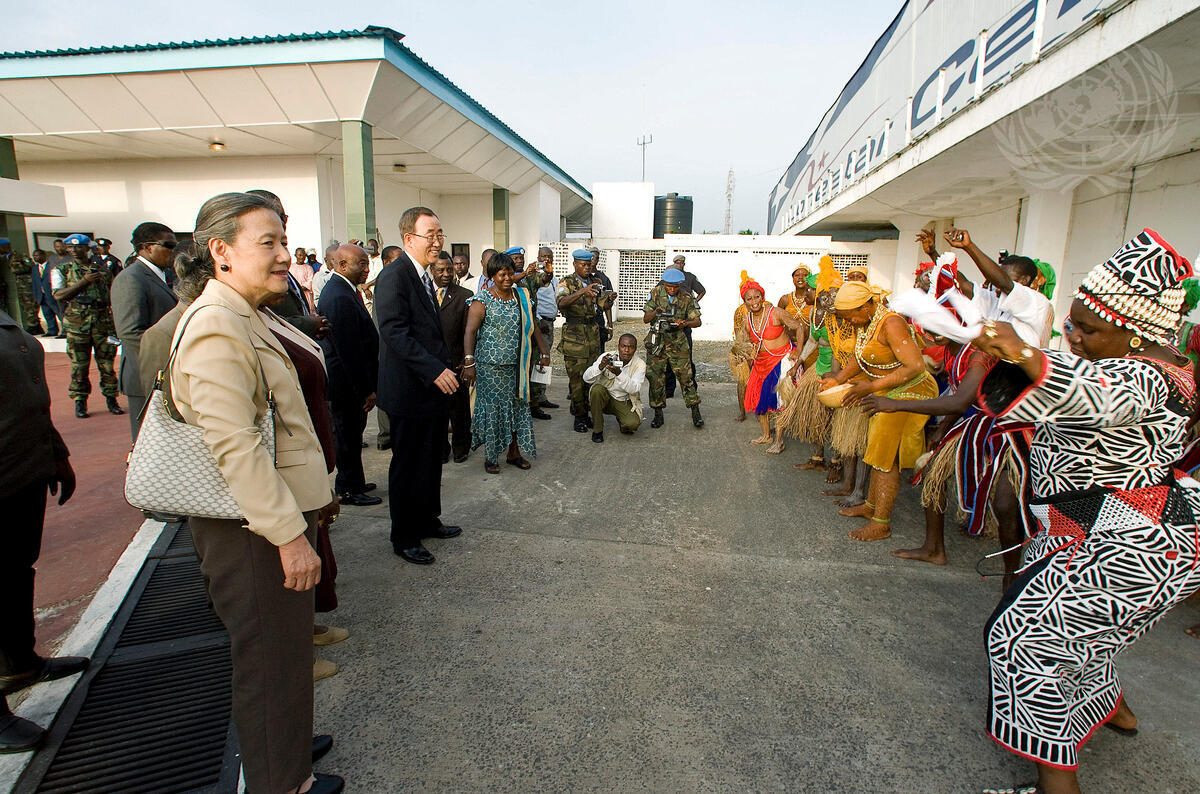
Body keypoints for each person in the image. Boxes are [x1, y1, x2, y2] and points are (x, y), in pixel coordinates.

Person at [971, 229, 1200, 794]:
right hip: (1107, 530)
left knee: (1024, 642)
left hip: (1133, 539)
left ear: (1136, 331)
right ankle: (1117, 712)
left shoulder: (1147, 376)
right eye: (1071, 325)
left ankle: (1057, 787)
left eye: (1087, 330)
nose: (1072, 338)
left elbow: (1100, 395)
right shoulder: (1143, 363)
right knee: (1084, 637)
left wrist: (1025, 352)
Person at [169, 192, 342, 794]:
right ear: (221, 251)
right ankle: (282, 780)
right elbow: (236, 446)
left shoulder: (245, 312)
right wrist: (290, 538)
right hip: (253, 530)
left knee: (284, 657)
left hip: (266, 519)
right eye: (267, 242)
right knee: (270, 661)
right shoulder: (216, 323)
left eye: (283, 241)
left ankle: (283, 750)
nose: (284, 255)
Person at [0, 308, 88, 753]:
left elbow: (29, 398)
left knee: (14, 573)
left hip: (21, 470)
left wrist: (56, 454)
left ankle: (19, 663)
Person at [376, 206, 463, 565]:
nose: (437, 241)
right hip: (409, 390)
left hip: (431, 391)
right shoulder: (394, 276)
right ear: (409, 238)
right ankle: (404, 535)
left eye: (440, 234)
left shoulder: (424, 275)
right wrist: (433, 370)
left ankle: (428, 519)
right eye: (431, 235)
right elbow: (394, 332)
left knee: (430, 460)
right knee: (409, 464)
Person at [820, 281, 937, 541]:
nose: (848, 322)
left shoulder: (891, 324)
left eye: (849, 316)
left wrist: (871, 387)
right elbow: (861, 357)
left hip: (911, 393)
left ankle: (881, 523)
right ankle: (871, 506)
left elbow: (915, 366)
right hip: (887, 391)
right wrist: (838, 379)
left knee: (886, 457)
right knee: (876, 451)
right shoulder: (866, 323)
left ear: (865, 306)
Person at [462, 252, 551, 473]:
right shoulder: (481, 300)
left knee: (517, 409)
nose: (507, 278)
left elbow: (532, 326)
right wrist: (469, 362)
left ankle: (514, 453)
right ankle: (491, 457)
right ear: (492, 276)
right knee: (494, 412)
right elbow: (470, 332)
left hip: (517, 366)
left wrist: (544, 351)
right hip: (489, 368)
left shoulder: (521, 296)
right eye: (502, 274)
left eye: (510, 273)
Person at [317, 243, 381, 507]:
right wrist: (366, 389)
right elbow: (349, 349)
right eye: (361, 264)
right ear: (342, 265)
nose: (366, 270)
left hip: (350, 382)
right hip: (346, 384)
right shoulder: (338, 295)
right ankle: (347, 488)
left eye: (367, 264)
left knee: (354, 435)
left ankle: (355, 481)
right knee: (347, 436)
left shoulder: (345, 290)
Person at [111, 222, 179, 439]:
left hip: (163, 376)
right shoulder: (131, 278)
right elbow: (131, 333)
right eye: (168, 245)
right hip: (146, 376)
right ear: (148, 247)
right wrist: (168, 361)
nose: (173, 251)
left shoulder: (161, 276)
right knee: (147, 444)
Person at [51, 234, 123, 418]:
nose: (75, 250)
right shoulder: (62, 269)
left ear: (87, 249)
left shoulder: (102, 269)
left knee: (107, 365)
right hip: (77, 324)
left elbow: (112, 294)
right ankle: (80, 402)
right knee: (79, 366)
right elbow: (58, 295)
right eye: (71, 247)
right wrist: (84, 281)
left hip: (102, 322)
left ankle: (111, 400)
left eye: (79, 247)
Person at [740, 275, 804, 453]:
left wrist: (799, 350)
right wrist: (744, 354)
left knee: (779, 402)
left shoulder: (776, 313)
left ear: (763, 297)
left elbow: (799, 327)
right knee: (759, 400)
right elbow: (745, 343)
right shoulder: (747, 321)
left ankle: (779, 441)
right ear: (744, 301)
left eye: (757, 297)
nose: (754, 302)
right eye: (749, 299)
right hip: (760, 365)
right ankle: (766, 436)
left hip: (781, 361)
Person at [643, 268, 704, 429]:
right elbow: (645, 318)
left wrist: (685, 323)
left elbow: (697, 321)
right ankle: (658, 414)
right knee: (655, 378)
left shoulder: (686, 297)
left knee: (686, 378)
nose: (672, 289)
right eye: (669, 286)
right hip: (657, 341)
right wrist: (656, 311)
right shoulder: (655, 293)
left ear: (680, 284)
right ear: (664, 283)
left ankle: (695, 412)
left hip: (678, 342)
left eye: (675, 286)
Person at [557, 249, 608, 432]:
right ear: (575, 264)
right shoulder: (567, 282)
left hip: (592, 334)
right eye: (583, 265)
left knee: (592, 376)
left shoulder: (596, 281)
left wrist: (608, 300)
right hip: (574, 336)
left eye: (589, 264)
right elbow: (561, 303)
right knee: (577, 380)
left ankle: (587, 413)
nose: (587, 268)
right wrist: (582, 291)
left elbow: (601, 305)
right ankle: (579, 417)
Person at [431, 254, 473, 463]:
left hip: (456, 363)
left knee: (459, 411)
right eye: (441, 270)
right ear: (432, 270)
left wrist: (467, 361)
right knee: (436, 410)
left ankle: (461, 447)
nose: (446, 274)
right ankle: (440, 449)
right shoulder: (423, 293)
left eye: (449, 269)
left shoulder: (465, 295)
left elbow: (469, 332)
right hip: (431, 365)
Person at [584, 333, 645, 441]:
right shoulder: (607, 356)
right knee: (596, 390)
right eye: (623, 346)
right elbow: (586, 378)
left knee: (632, 424)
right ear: (618, 347)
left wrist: (619, 373)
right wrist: (600, 367)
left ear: (635, 349)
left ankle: (622, 422)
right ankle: (597, 430)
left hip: (623, 400)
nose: (626, 350)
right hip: (605, 398)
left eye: (630, 347)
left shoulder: (640, 364)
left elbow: (634, 389)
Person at [664, 254, 705, 398]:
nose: (679, 264)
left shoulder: (689, 278)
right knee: (667, 361)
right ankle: (669, 390)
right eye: (676, 262)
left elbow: (702, 290)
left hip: (683, 328)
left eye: (681, 262)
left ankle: (691, 390)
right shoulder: (663, 282)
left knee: (687, 359)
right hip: (666, 330)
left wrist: (694, 302)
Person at [532, 254, 560, 412]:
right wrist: (539, 320)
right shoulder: (534, 278)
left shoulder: (554, 279)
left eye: (549, 256)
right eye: (543, 256)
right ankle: (536, 399)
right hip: (540, 324)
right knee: (540, 359)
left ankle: (541, 395)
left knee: (545, 358)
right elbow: (533, 301)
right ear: (538, 258)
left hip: (550, 323)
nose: (546, 259)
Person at [1, 239, 40, 336]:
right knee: (24, 305)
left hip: (27, 284)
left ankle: (33, 325)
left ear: (4, 246)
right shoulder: (7, 257)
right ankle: (36, 326)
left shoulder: (19, 255)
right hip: (20, 285)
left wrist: (18, 270)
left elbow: (31, 265)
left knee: (30, 304)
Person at [587, 248, 616, 354]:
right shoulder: (582, 277)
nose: (594, 260)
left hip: (598, 318)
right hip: (584, 319)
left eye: (596, 258)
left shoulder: (603, 278)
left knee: (599, 351)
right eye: (592, 257)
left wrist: (610, 324)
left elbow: (608, 304)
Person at [30, 249, 61, 337]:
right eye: (34, 256)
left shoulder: (52, 266)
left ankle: (65, 330)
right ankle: (52, 330)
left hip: (51, 294)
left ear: (44, 255)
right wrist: (36, 296)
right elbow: (35, 283)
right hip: (41, 296)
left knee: (59, 313)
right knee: (47, 314)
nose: (35, 257)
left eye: (37, 255)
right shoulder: (35, 268)